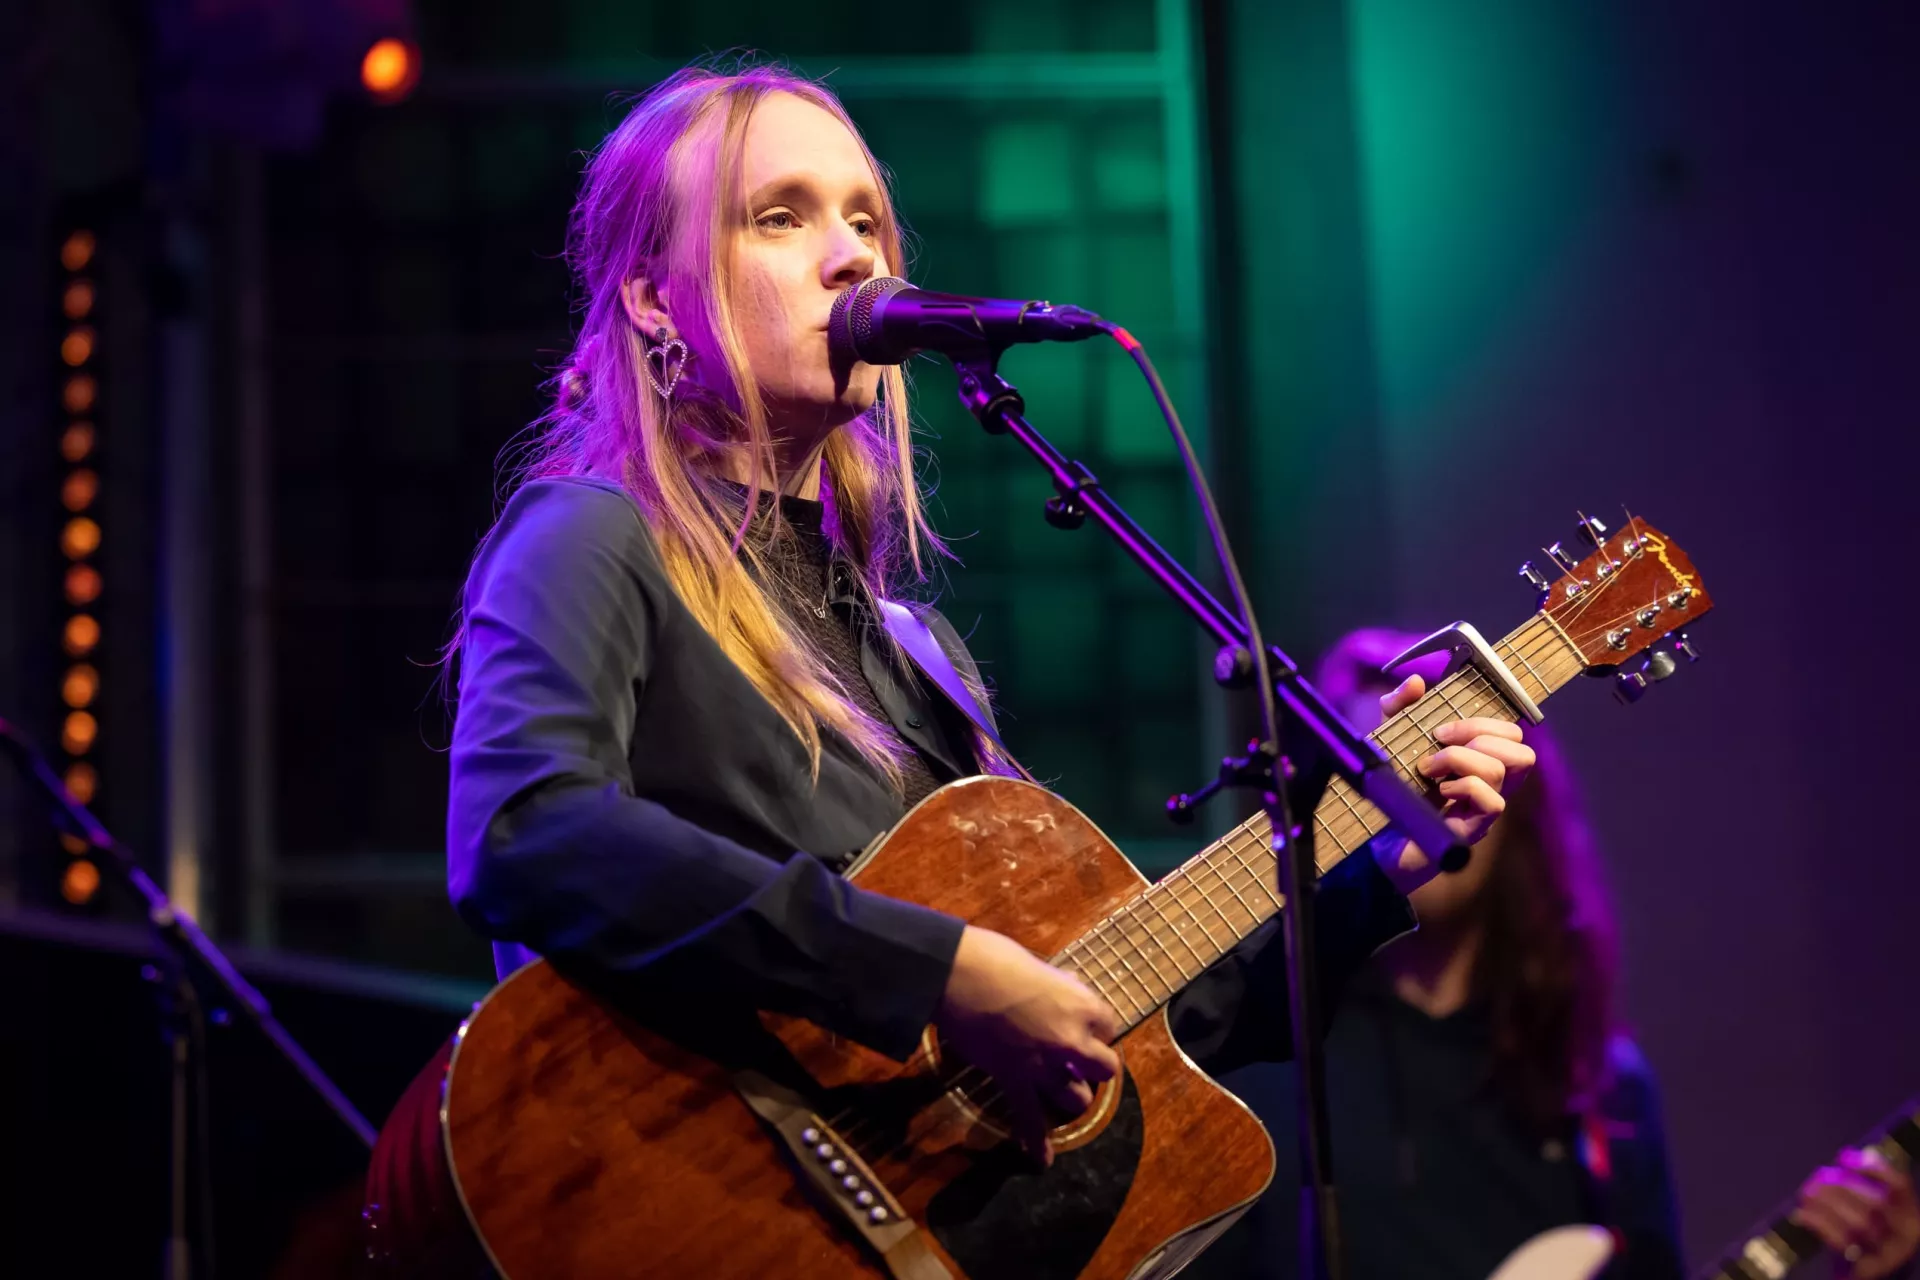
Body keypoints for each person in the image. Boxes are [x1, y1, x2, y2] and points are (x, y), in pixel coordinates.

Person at [413, 59, 1532, 1240]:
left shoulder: (914, 651)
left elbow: (1129, 1017)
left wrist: (1368, 872)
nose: (851, 257)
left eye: (865, 221)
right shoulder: (593, 533)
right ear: (652, 298)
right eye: (780, 217)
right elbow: (524, 828)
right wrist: (935, 969)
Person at [1185, 628, 1920, 1280]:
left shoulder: (1598, 1083)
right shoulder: (1253, 1057)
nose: (1411, 802)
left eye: (1443, 767)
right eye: (1371, 780)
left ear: (1516, 803)